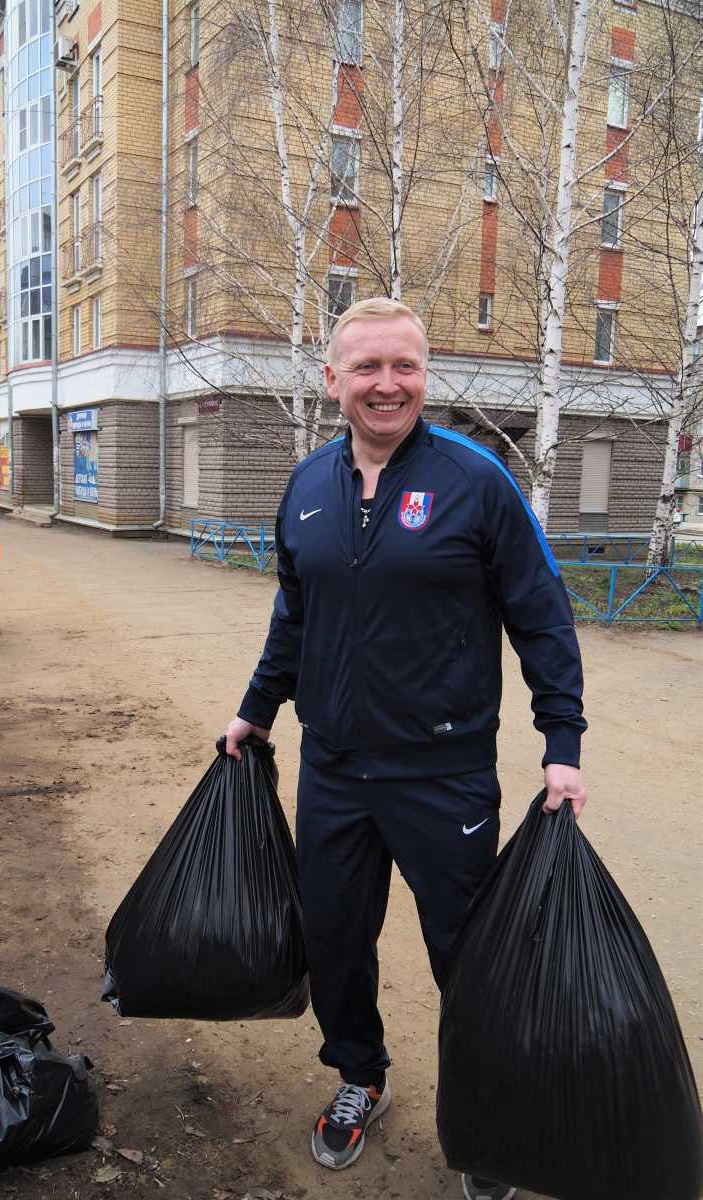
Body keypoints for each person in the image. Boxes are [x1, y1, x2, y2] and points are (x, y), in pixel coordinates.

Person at [222, 298, 587, 1200]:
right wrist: (256, 710)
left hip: (443, 774)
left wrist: (562, 743)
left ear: (426, 375)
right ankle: (360, 1074)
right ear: (332, 380)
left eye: (405, 367)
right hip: (335, 770)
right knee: (335, 939)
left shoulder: (476, 480)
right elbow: (294, 615)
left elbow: (542, 616)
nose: (388, 385)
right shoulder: (307, 486)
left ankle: (485, 1118)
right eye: (368, 367)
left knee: (467, 954)